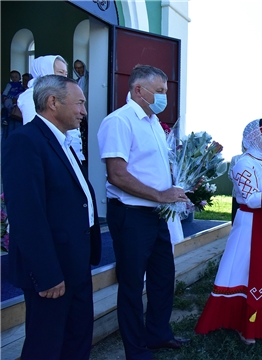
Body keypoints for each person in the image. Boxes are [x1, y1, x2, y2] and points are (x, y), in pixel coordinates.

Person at [2, 75, 101, 359]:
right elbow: (27, 215)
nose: (83, 110)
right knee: (45, 345)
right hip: (51, 270)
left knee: (77, 338)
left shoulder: (63, 141)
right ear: (53, 102)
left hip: (77, 263)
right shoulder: (25, 141)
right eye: (79, 103)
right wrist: (47, 275)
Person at [97, 64, 190, 359]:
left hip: (158, 214)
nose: (164, 96)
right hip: (131, 216)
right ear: (139, 90)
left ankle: (158, 334)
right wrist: (160, 194)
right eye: (160, 91)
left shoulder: (153, 123)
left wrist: (178, 190)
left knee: (163, 276)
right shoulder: (119, 122)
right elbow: (117, 175)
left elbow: (158, 169)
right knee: (132, 284)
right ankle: (135, 349)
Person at [195, 119, 262, 345]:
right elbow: (248, 198)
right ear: (253, 138)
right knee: (245, 272)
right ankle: (245, 325)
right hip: (250, 224)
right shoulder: (243, 164)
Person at [18, 55, 86, 163]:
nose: (64, 77)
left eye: (65, 73)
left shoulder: (59, 93)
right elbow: (36, 132)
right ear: (44, 71)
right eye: (60, 72)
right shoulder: (32, 95)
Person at [228, 144, 246, 224]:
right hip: (237, 193)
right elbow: (230, 174)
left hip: (252, 195)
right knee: (236, 220)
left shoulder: (258, 159)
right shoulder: (235, 159)